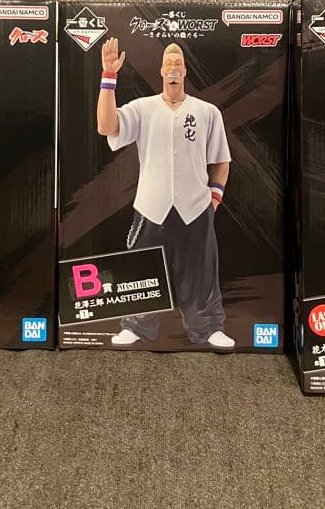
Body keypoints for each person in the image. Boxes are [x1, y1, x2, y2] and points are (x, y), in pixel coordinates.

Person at [97, 38, 235, 349]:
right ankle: (136, 325)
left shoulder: (207, 111)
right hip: (151, 205)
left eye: (178, 64)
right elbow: (106, 126)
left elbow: (221, 160)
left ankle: (208, 328)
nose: (173, 68)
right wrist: (109, 75)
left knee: (201, 270)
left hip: (196, 206)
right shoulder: (143, 108)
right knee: (143, 267)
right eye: (168, 64)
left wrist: (214, 198)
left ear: (185, 71)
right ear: (161, 71)